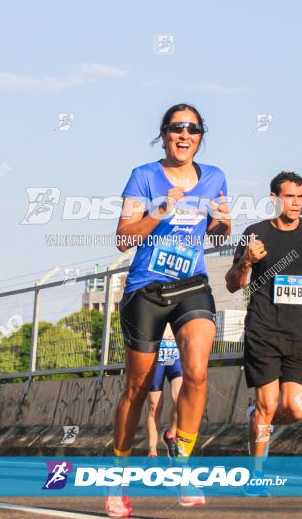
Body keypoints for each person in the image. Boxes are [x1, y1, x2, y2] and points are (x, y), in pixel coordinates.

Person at [108, 103, 230, 516]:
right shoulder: (144, 175)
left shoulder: (214, 177)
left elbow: (215, 229)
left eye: (193, 128)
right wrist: (161, 210)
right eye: (177, 127)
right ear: (163, 134)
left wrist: (224, 223)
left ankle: (184, 462)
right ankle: (119, 473)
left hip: (192, 285)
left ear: (200, 136)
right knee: (137, 388)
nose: (185, 134)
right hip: (146, 289)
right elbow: (123, 237)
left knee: (196, 371)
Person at [225, 171, 302, 496]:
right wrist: (246, 261)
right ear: (274, 198)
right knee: (268, 404)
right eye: (290, 197)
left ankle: (257, 417)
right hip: (263, 329)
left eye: (300, 197)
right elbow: (233, 283)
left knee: (296, 409)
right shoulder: (255, 234)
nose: (296, 203)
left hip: (299, 331)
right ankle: (256, 478)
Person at [145, 324, 183, 457]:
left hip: (175, 353)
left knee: (181, 400)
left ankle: (170, 434)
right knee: (154, 407)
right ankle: (152, 452)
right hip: (156, 353)